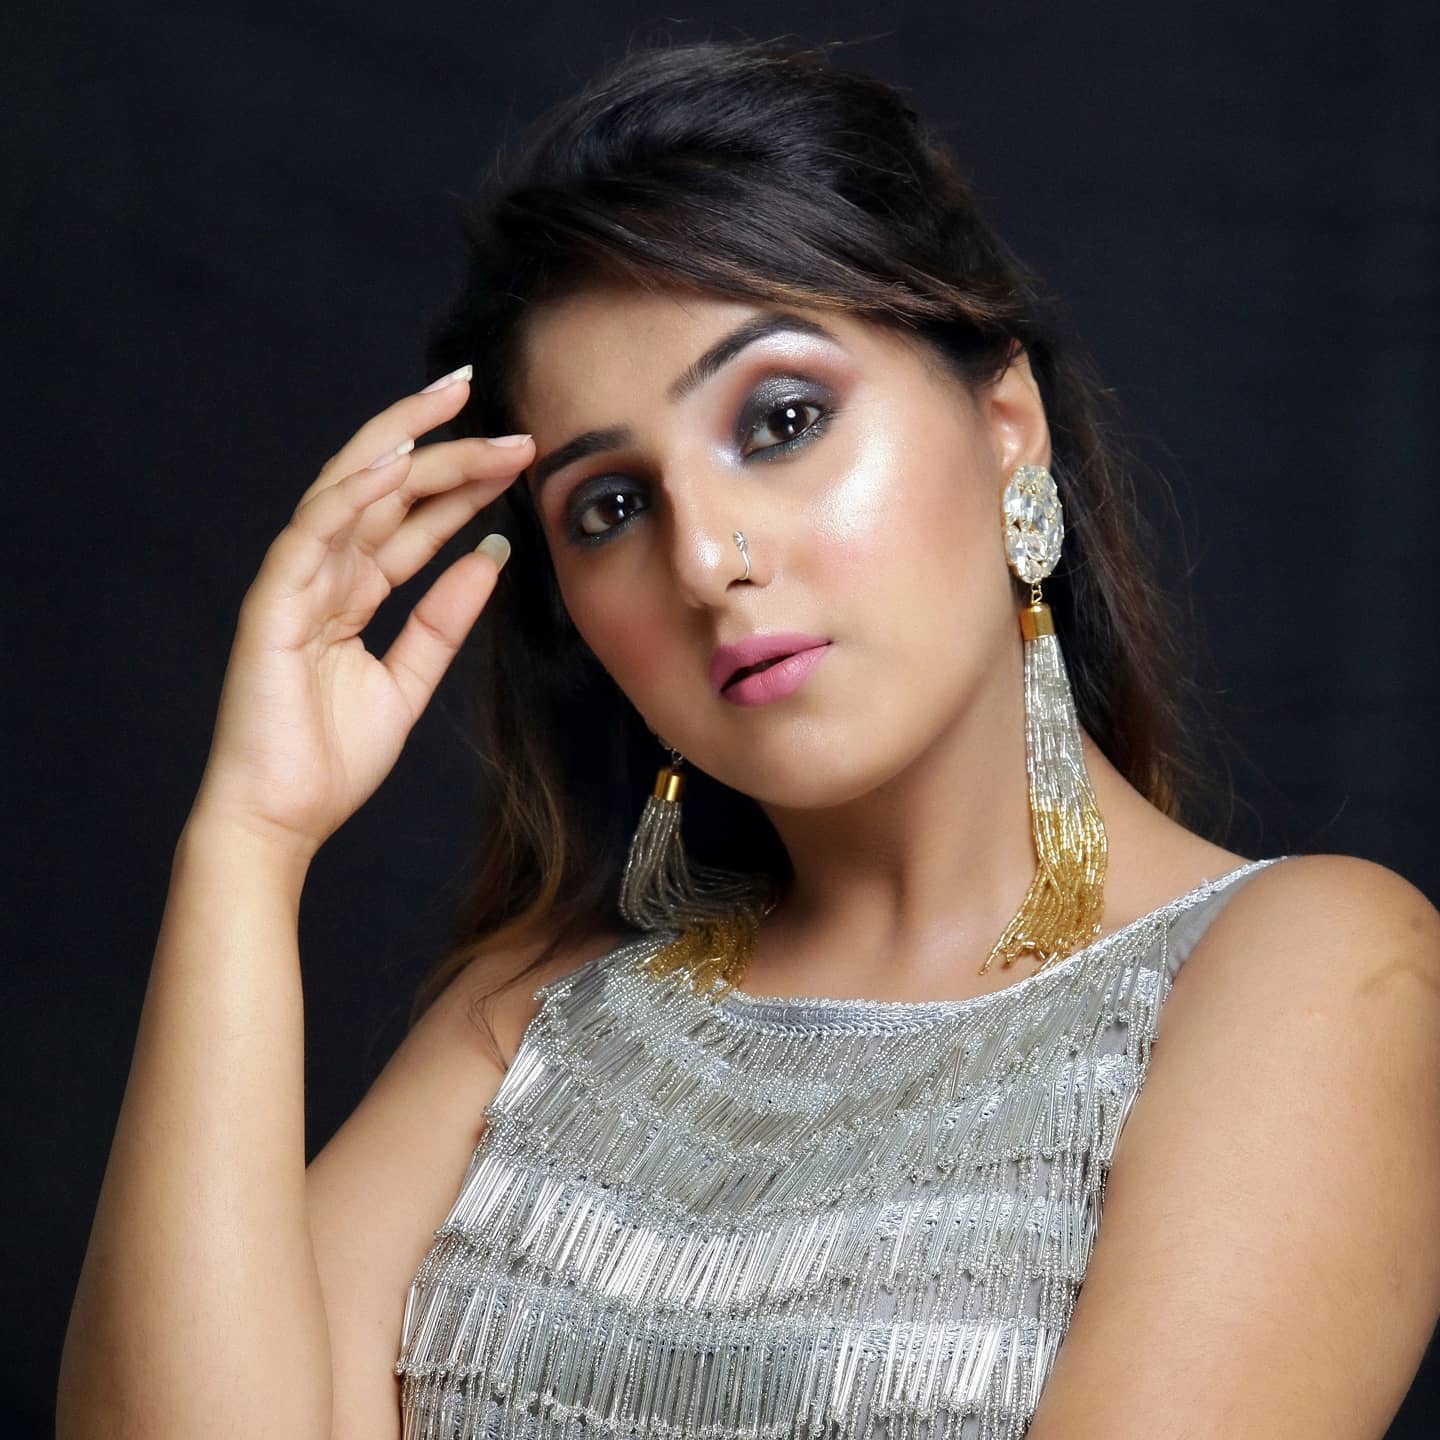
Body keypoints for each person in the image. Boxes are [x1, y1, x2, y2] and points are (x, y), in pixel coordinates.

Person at [57, 36, 1439, 1440]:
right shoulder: (530, 1020)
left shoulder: (1311, 972)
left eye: (781, 420)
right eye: (610, 507)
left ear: (1005, 423)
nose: (707, 559)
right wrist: (250, 840)